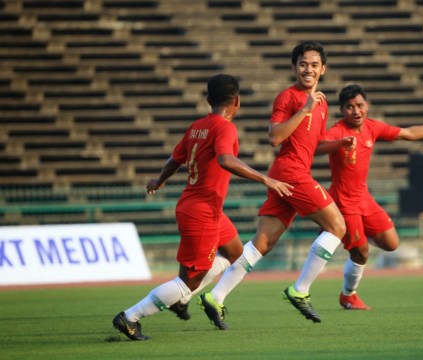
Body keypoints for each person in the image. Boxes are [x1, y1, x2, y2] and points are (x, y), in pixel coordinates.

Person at [111, 74, 293, 341]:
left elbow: (175, 160)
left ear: (208, 100)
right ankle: (130, 317)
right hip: (201, 212)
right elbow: (226, 160)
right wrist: (266, 178)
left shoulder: (196, 127)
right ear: (238, 102)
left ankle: (184, 298)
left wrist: (159, 181)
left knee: (235, 252)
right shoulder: (225, 127)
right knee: (187, 282)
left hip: (205, 209)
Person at [199, 41, 347, 329]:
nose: (309, 69)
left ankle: (215, 296)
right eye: (303, 63)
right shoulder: (288, 98)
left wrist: (339, 143)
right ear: (294, 67)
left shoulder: (322, 103)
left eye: (315, 65)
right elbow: (275, 137)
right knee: (338, 227)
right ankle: (300, 290)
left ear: (323, 70)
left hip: (289, 174)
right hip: (291, 172)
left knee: (261, 245)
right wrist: (304, 109)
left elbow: (312, 145)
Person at [315, 84, 423, 310]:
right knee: (361, 251)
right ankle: (348, 295)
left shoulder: (372, 127)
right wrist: (340, 143)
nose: (356, 111)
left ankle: (352, 236)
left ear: (367, 106)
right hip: (344, 203)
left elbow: (409, 133)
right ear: (342, 110)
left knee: (392, 243)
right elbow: (319, 146)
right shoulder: (338, 130)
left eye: (360, 106)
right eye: (350, 107)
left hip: (365, 199)